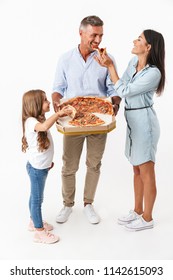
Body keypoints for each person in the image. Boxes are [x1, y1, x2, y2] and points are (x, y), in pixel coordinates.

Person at [95, 29, 165, 231]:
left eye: (139, 39)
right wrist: (111, 69)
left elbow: (124, 90)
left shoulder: (154, 73)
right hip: (133, 120)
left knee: (147, 170)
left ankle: (148, 218)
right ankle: (137, 210)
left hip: (145, 123)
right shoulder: (134, 63)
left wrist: (110, 66)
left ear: (148, 47)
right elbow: (121, 85)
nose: (134, 40)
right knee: (136, 168)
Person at [52, 15, 120, 224]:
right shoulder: (65, 59)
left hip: (99, 118)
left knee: (94, 164)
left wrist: (115, 104)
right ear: (81, 33)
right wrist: (56, 103)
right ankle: (67, 204)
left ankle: (88, 204)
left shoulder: (106, 59)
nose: (98, 40)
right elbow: (57, 89)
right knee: (69, 166)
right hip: (73, 119)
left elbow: (113, 88)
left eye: (101, 35)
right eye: (94, 35)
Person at [22, 89, 73, 243]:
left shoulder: (38, 119)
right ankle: (39, 232)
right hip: (37, 169)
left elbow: (42, 145)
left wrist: (47, 163)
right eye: (45, 100)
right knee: (37, 200)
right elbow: (44, 128)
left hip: (41, 167)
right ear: (36, 104)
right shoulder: (31, 122)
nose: (49, 102)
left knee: (35, 197)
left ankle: (33, 221)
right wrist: (58, 114)